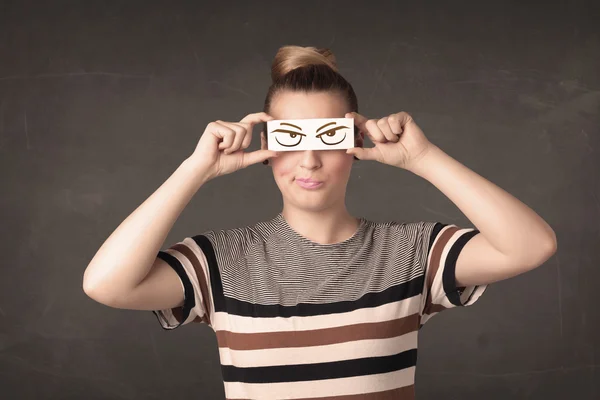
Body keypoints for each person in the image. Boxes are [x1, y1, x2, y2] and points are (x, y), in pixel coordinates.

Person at [83, 45, 557, 399]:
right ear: (265, 150)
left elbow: (531, 246)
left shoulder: (413, 253)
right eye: (289, 139)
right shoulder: (219, 262)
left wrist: (424, 158)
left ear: (356, 146)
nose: (308, 161)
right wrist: (195, 169)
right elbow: (107, 285)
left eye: (329, 138)